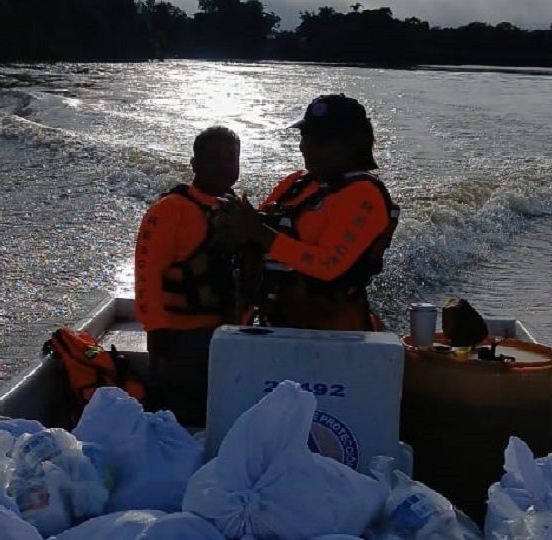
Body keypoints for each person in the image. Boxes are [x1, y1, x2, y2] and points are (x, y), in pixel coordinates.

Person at [214, 94, 399, 330]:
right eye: (304, 136)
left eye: (320, 140)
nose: (306, 146)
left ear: (353, 144)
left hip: (333, 336)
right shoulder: (296, 183)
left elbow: (328, 265)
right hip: (273, 325)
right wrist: (233, 227)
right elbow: (255, 236)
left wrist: (256, 231)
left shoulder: (365, 195)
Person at [134, 126, 241, 426]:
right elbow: (147, 273)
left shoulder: (237, 210)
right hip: (180, 337)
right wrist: (157, 332)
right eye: (214, 159)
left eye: (231, 160)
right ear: (194, 165)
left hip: (226, 334)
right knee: (183, 413)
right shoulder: (171, 210)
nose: (224, 167)